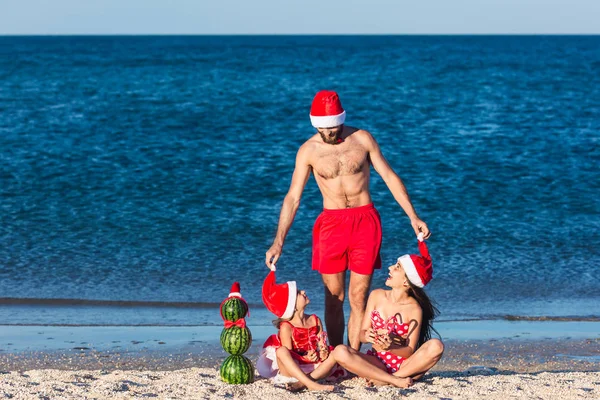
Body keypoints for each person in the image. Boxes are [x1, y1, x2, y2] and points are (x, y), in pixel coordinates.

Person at [265, 90, 431, 350]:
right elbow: (292, 198)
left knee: (357, 296)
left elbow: (389, 177)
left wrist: (413, 216)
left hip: (365, 221)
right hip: (331, 225)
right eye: (325, 128)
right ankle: (336, 354)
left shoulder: (362, 139)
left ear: (342, 120)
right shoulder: (308, 151)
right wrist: (278, 242)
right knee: (334, 297)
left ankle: (352, 355)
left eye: (334, 127)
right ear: (316, 124)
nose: (331, 133)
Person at [256, 266, 413, 392]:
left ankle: (309, 381)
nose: (303, 292)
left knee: (337, 350)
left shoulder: (315, 320)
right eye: (298, 293)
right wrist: (305, 356)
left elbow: (321, 345)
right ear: (291, 306)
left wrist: (322, 353)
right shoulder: (286, 327)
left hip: (316, 367)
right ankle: (310, 384)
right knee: (281, 351)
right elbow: (290, 356)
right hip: (295, 369)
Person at [358, 233, 444, 383]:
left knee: (436, 346)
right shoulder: (376, 295)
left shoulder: (414, 309)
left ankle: (392, 379)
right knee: (341, 352)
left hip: (404, 365)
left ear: (406, 282)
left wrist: (390, 347)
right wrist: (367, 336)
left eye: (397, 267)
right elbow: (361, 334)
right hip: (376, 362)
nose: (390, 267)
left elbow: (409, 351)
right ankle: (391, 379)